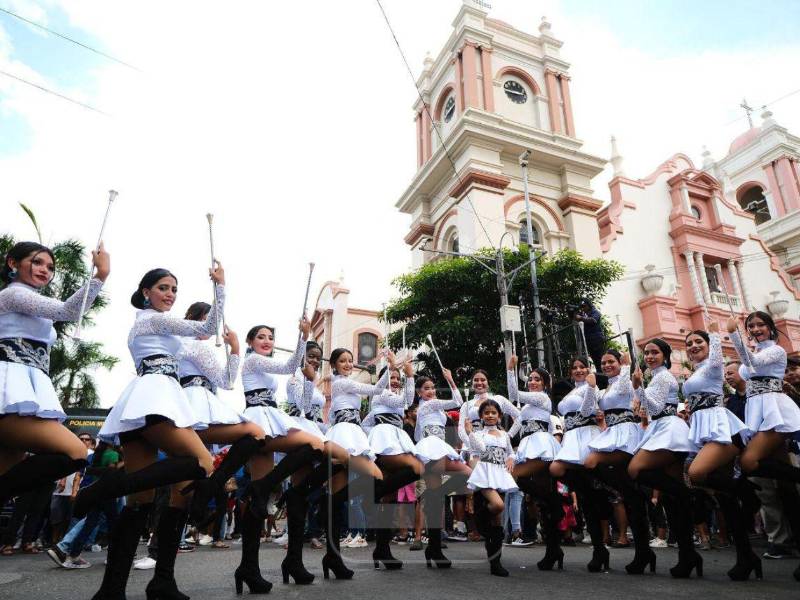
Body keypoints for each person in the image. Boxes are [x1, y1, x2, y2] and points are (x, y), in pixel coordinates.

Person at [86, 266, 225, 600]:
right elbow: (207, 325)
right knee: (202, 463)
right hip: (156, 399)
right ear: (146, 291)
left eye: (174, 289)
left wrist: (228, 349)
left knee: (140, 502)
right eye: (163, 287)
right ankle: (110, 484)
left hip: (142, 401)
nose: (170, 294)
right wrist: (221, 288)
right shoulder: (150, 319)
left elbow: (207, 350)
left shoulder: (157, 328)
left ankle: (114, 589)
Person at [0, 242, 108, 510]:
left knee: (7, 477)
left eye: (50, 267)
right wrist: (100, 276)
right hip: (8, 390)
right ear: (12, 263)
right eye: (37, 262)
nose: (45, 270)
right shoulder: (13, 295)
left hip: (25, 390)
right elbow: (70, 311)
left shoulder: (30, 303)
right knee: (76, 452)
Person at [728, 311, 800, 582]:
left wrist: (734, 335)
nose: (755, 329)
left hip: (774, 410)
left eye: (760, 325)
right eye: (751, 326)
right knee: (785, 487)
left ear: (770, 328)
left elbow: (752, 364)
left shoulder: (777, 352)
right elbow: (747, 367)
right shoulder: (755, 350)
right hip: (757, 411)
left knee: (749, 462)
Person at [681, 323, 755, 580]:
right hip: (702, 429)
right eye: (689, 344)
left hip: (720, 427)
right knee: (725, 499)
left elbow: (715, 356)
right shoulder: (694, 373)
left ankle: (746, 490)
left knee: (696, 472)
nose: (693, 347)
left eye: (697, 342)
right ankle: (746, 557)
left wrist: (712, 333)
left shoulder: (713, 367)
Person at [628, 338, 700, 579]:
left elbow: (656, 406)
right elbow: (650, 409)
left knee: (636, 469)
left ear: (665, 355)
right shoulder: (656, 377)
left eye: (654, 352)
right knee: (671, 500)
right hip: (661, 429)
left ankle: (689, 493)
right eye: (646, 353)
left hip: (669, 430)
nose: (649, 356)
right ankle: (688, 555)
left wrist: (638, 388)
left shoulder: (663, 376)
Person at [583, 349, 653, 575]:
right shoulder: (603, 389)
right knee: (629, 494)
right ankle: (644, 551)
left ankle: (643, 549)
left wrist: (626, 365)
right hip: (610, 433)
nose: (606, 365)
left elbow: (625, 387)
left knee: (592, 463)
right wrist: (591, 388)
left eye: (610, 361)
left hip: (626, 433)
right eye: (603, 362)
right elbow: (586, 410)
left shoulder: (623, 381)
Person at [549, 357, 607, 572]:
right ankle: (599, 547)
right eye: (574, 367)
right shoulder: (570, 391)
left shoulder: (596, 389)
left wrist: (591, 386)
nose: (578, 370)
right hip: (571, 438)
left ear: (589, 369)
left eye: (582, 367)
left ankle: (599, 548)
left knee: (589, 498)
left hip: (587, 437)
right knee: (557, 470)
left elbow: (587, 410)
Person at [365, 360, 423, 570]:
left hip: (395, 441)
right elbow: (407, 401)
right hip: (385, 442)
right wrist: (410, 376)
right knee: (417, 468)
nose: (396, 381)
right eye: (392, 378)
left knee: (388, 499)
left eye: (398, 378)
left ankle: (382, 549)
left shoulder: (386, 401)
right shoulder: (381, 393)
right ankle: (372, 493)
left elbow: (366, 422)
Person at [506, 356, 563, 571]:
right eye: (530, 379)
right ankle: (553, 550)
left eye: (537, 379)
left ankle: (556, 506)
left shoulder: (543, 399)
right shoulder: (527, 406)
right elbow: (514, 429)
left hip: (541, 446)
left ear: (545, 384)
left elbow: (513, 394)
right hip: (527, 447)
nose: (532, 381)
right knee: (542, 500)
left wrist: (511, 370)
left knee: (516, 476)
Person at [413, 369, 471, 568]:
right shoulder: (427, 405)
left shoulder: (435, 408)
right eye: (426, 388)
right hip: (432, 449)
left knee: (441, 494)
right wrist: (451, 379)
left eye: (432, 388)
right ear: (419, 392)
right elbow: (457, 400)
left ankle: (433, 548)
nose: (431, 391)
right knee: (462, 477)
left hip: (439, 448)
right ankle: (435, 549)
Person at [465, 399, 518, 577]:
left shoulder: (504, 435)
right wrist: (470, 433)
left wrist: (512, 458)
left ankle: (495, 562)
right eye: (486, 413)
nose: (490, 415)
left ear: (499, 416)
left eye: (493, 413)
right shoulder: (479, 434)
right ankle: (480, 517)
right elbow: (480, 450)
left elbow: (510, 452)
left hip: (500, 474)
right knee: (498, 506)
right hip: (485, 473)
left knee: (497, 520)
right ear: (481, 416)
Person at [573, 298, 605, 368]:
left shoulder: (595, 312)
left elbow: (593, 320)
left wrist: (581, 318)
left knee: (601, 359)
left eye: (584, 306)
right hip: (589, 340)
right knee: (595, 361)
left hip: (596, 339)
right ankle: (600, 375)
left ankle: (605, 376)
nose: (583, 308)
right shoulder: (584, 314)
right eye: (581, 307)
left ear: (589, 305)